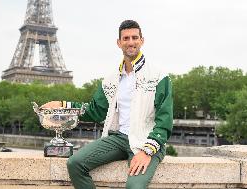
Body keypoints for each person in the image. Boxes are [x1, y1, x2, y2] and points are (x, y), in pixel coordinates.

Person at [41, 20, 173, 189]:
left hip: (146, 141)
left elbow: (165, 119)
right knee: (75, 163)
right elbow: (96, 111)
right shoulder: (111, 79)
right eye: (126, 38)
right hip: (118, 138)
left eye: (134, 37)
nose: (130, 42)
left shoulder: (159, 76)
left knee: (135, 187)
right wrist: (62, 104)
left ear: (142, 40)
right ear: (119, 43)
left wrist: (147, 151)